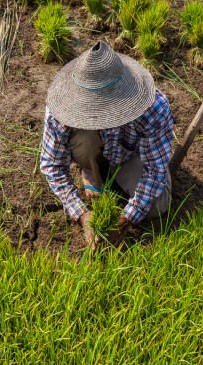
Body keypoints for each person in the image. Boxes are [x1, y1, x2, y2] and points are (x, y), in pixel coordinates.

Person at [40, 40, 174, 250]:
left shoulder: (154, 108)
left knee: (158, 206)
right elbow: (52, 165)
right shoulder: (59, 111)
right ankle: (92, 171)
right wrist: (82, 215)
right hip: (90, 151)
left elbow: (155, 169)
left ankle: (113, 178)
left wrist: (126, 218)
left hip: (131, 158)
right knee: (85, 140)